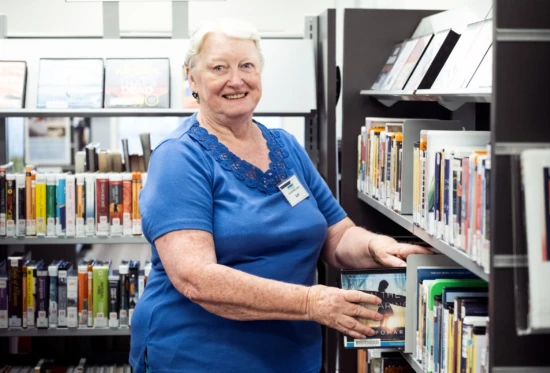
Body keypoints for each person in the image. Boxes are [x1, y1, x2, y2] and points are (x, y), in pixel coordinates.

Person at [129, 18, 431, 373]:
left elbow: (337, 234)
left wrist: (373, 247)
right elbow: (197, 278)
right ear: (192, 78)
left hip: (290, 355)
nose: (236, 79)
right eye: (219, 68)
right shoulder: (179, 158)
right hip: (200, 357)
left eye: (247, 66)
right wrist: (310, 302)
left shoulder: (285, 147)